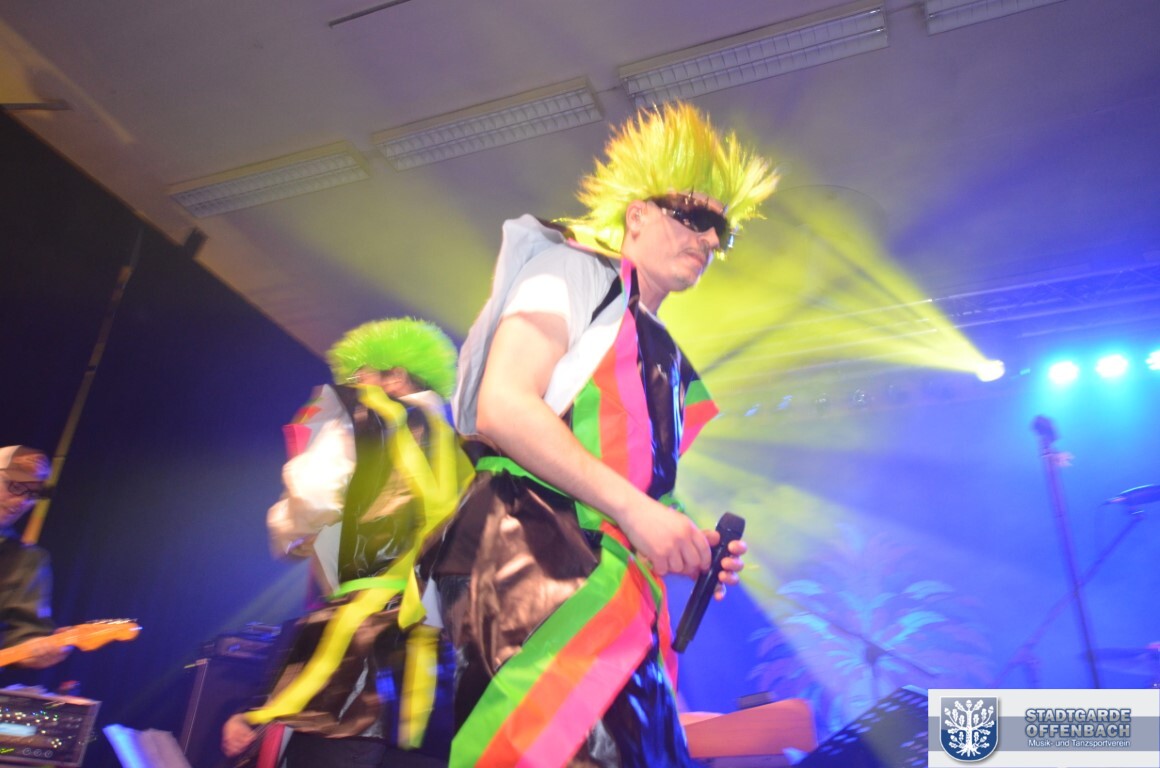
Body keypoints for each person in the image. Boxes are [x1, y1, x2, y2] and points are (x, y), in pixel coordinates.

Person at [424, 102, 779, 766]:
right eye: (692, 215)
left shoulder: (663, 352)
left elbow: (632, 484)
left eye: (721, 230)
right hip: (534, 560)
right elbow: (503, 405)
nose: (708, 239)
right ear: (636, 215)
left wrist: (684, 540)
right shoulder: (574, 270)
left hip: (616, 589)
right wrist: (637, 511)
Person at [222, 318, 474, 767]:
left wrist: (292, 532)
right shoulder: (462, 443)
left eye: (361, 373)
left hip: (361, 639)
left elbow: (311, 498)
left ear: (395, 376)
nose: (354, 384)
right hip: (437, 655)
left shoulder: (363, 415)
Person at [0, 444, 71, 671]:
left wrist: (40, 652)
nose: (21, 501)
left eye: (32, 494)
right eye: (15, 486)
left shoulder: (27, 560)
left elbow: (23, 638)